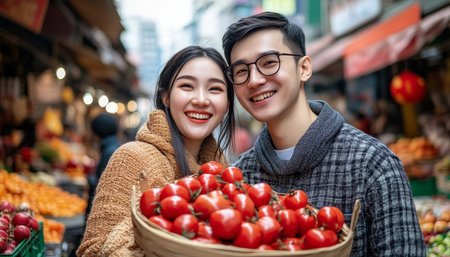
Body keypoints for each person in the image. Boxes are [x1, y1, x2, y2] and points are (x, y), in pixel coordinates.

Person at [222, 12, 425, 256]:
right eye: (241, 71)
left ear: (304, 68)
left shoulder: (373, 163)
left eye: (268, 62)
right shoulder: (240, 178)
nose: (254, 80)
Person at [77, 46, 235, 256]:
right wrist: (151, 212)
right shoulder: (131, 158)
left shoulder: (224, 174)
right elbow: (91, 250)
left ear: (226, 104)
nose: (201, 99)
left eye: (215, 89)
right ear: (166, 97)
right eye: (187, 86)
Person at [85, 113, 121, 220]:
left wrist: (89, 179)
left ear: (96, 133)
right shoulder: (114, 147)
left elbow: (101, 185)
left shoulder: (108, 152)